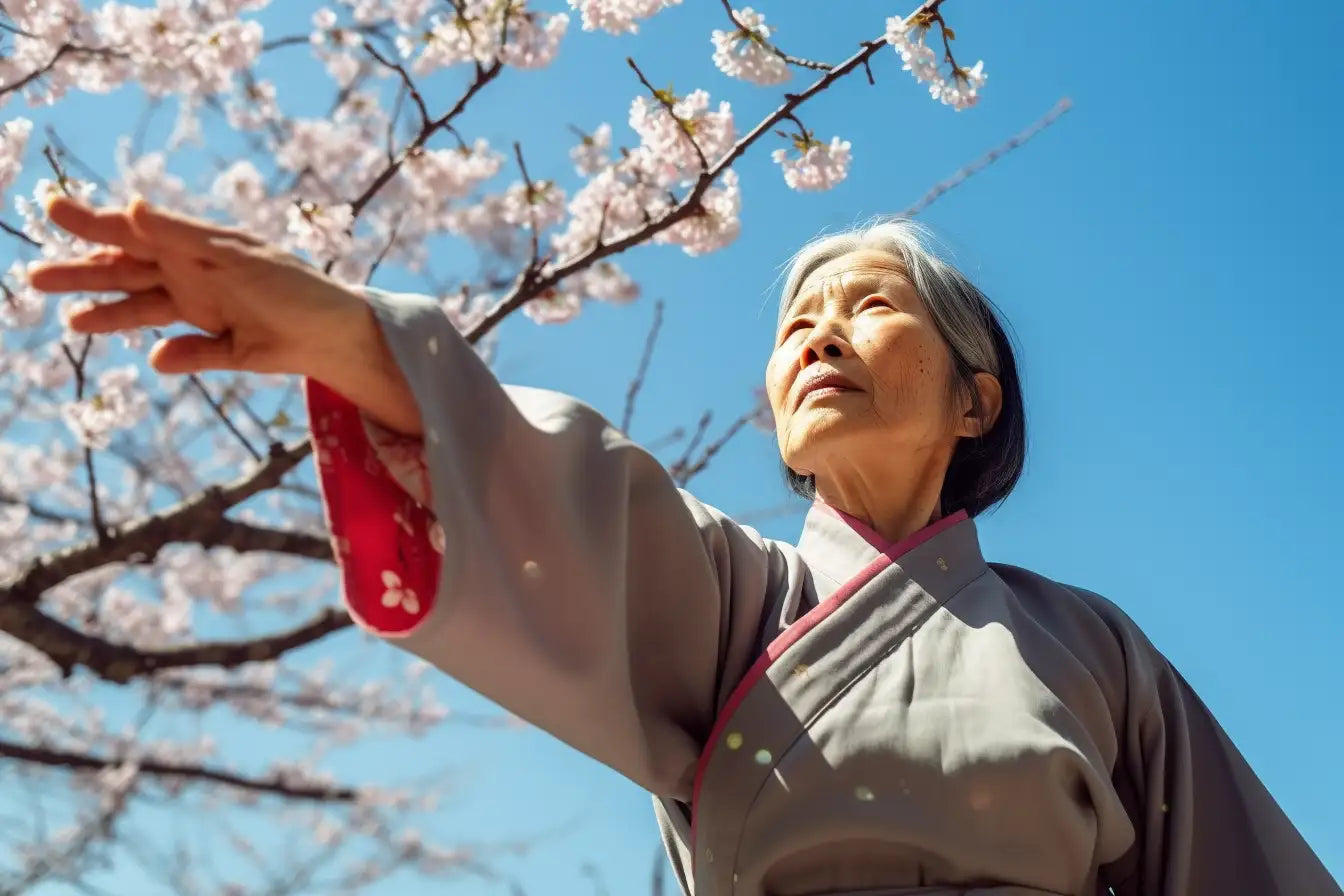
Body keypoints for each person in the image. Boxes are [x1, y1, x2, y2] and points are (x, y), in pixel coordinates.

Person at [30, 196, 1340, 896]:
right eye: (795, 324)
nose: (818, 336)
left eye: (869, 307)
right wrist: (339, 335)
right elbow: (557, 488)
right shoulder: (737, 605)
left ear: (975, 396)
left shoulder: (1095, 651)